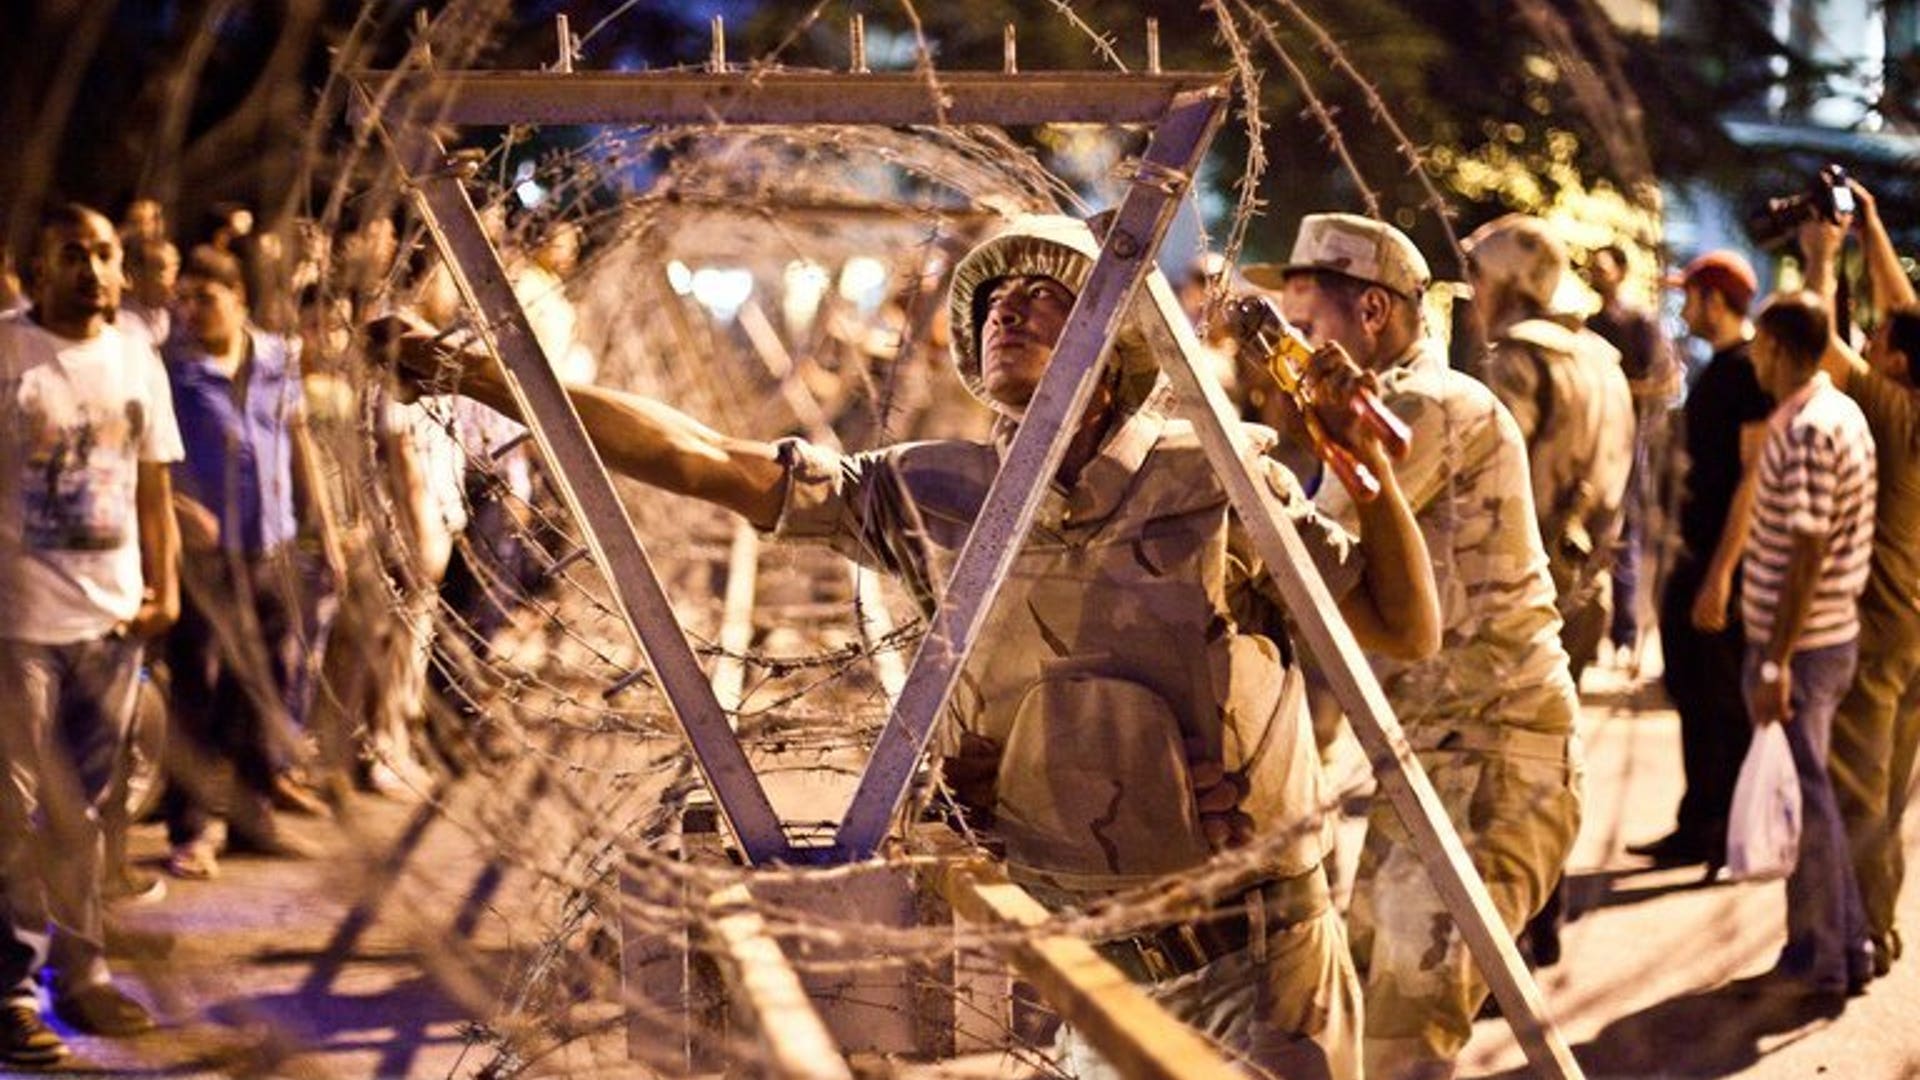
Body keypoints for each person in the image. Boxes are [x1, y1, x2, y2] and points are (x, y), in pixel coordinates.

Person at [382, 212, 1442, 1080]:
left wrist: (1369, 477)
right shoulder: (938, 491)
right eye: (993, 303)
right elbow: (707, 459)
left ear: (1113, 349)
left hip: (1256, 967)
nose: (1007, 312)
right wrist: (478, 375)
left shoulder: (1209, 475)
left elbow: (1402, 627)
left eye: (1045, 297)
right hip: (1087, 963)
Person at [1248, 213, 1582, 1078]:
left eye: (1303, 326)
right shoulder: (1376, 411)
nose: (1285, 350)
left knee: (1400, 1043)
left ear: (1371, 313)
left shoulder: (1420, 407)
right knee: (1374, 1014)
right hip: (1443, 752)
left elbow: (1301, 557)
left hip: (1492, 756)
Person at [0, 203, 180, 1063]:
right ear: (39, 267)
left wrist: (164, 587)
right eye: (74, 254)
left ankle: (84, 975)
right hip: (18, 625)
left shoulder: (137, 356)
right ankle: (9, 989)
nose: (95, 271)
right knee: (14, 812)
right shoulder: (6, 352)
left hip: (110, 622)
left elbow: (153, 488)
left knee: (91, 817)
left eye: (106, 255)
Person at [160, 246, 340, 880]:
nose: (191, 311)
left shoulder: (274, 361)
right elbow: (153, 456)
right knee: (199, 689)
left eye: (204, 298)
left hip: (271, 546)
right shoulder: (174, 372)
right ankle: (193, 827)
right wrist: (177, 505)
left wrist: (326, 532)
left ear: (238, 299)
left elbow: (299, 444)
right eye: (184, 299)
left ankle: (252, 815)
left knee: (264, 686)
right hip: (207, 560)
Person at [1736, 290, 1876, 1000]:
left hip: (1807, 647)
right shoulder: (1828, 414)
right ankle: (1835, 948)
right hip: (1819, 639)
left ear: (1780, 348)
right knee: (1810, 798)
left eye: (1759, 345)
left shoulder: (1811, 428)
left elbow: (1808, 547)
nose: (1753, 357)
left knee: (1808, 805)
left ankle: (1826, 958)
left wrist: (1775, 659)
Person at [1799, 183, 1920, 979]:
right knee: (1892, 786)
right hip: (1915, 629)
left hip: (1876, 632)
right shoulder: (1914, 400)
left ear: (1896, 364)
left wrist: (1820, 255)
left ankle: (1864, 930)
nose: (1870, 345)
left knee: (1859, 788)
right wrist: (1872, 229)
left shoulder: (1887, 409)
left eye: (1878, 343)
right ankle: (1879, 921)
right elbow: (1906, 316)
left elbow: (1817, 343)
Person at [1629, 250, 1774, 870]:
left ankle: (1720, 833)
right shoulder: (1718, 369)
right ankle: (1698, 823)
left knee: (1718, 701)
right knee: (1691, 692)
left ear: (1715, 300)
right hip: (1694, 560)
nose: (1684, 308)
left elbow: (1754, 478)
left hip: (1720, 565)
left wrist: (1720, 574)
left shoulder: (1746, 373)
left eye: (1691, 296)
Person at [1466, 215, 1634, 685]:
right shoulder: (1602, 358)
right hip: (1586, 585)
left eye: (1479, 276)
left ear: (1510, 283)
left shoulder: (1517, 357)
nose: (1472, 292)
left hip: (1518, 592)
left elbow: (1488, 479)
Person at [1584, 242, 1678, 663]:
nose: (1595, 274)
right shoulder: (1588, 324)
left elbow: (1667, 380)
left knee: (1625, 534)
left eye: (1602, 267)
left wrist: (1620, 389)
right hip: (1592, 440)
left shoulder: (1640, 321)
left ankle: (1624, 635)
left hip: (1631, 440)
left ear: (1620, 271)